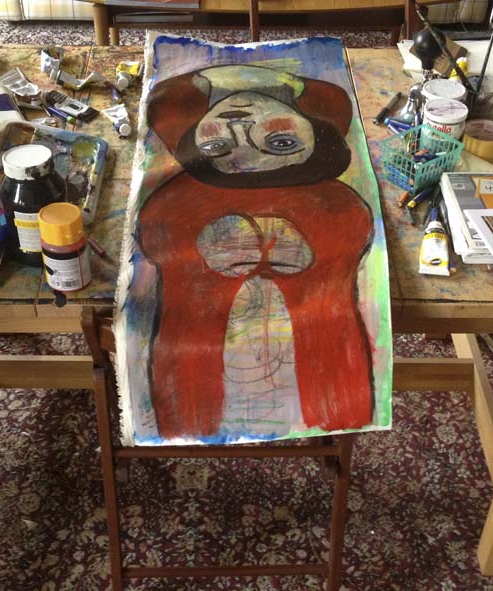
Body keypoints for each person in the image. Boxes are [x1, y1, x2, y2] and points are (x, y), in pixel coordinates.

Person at [134, 64, 377, 440]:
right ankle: (193, 420)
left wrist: (295, 251)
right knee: (196, 383)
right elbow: (157, 232)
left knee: (314, 375)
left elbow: (348, 230)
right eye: (218, 145)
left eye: (280, 142)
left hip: (307, 349)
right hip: (202, 357)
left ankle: (327, 414)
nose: (241, 121)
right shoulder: (180, 200)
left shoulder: (332, 202)